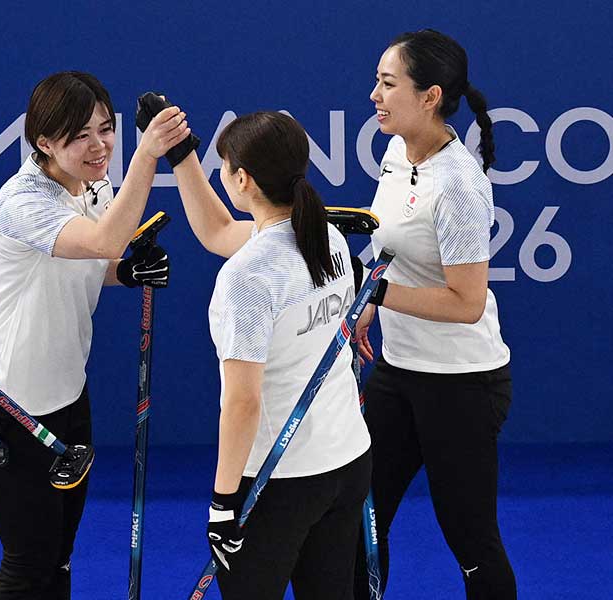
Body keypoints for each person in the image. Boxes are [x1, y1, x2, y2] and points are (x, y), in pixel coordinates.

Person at [0, 72, 189, 599]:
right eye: (79, 135)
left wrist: (126, 273)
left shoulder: (93, 184)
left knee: (60, 556)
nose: (99, 145)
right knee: (28, 560)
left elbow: (94, 257)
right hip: (11, 403)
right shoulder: (22, 203)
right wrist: (147, 156)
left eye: (106, 129)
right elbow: (107, 237)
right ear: (44, 142)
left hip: (68, 394)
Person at [144, 101, 371, 599]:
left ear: (242, 179)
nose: (221, 174)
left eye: (222, 167)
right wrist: (181, 155)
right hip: (347, 461)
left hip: (278, 482)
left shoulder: (246, 279)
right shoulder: (325, 235)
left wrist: (223, 502)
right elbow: (219, 232)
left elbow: (242, 402)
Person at [352, 29, 515, 599]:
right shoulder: (397, 149)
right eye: (377, 80)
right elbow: (393, 249)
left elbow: (466, 303)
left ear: (430, 96)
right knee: (359, 524)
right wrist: (373, 301)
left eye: (388, 83)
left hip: (463, 386)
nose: (374, 93)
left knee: (471, 542)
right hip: (399, 372)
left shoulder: (462, 185)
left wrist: (373, 295)